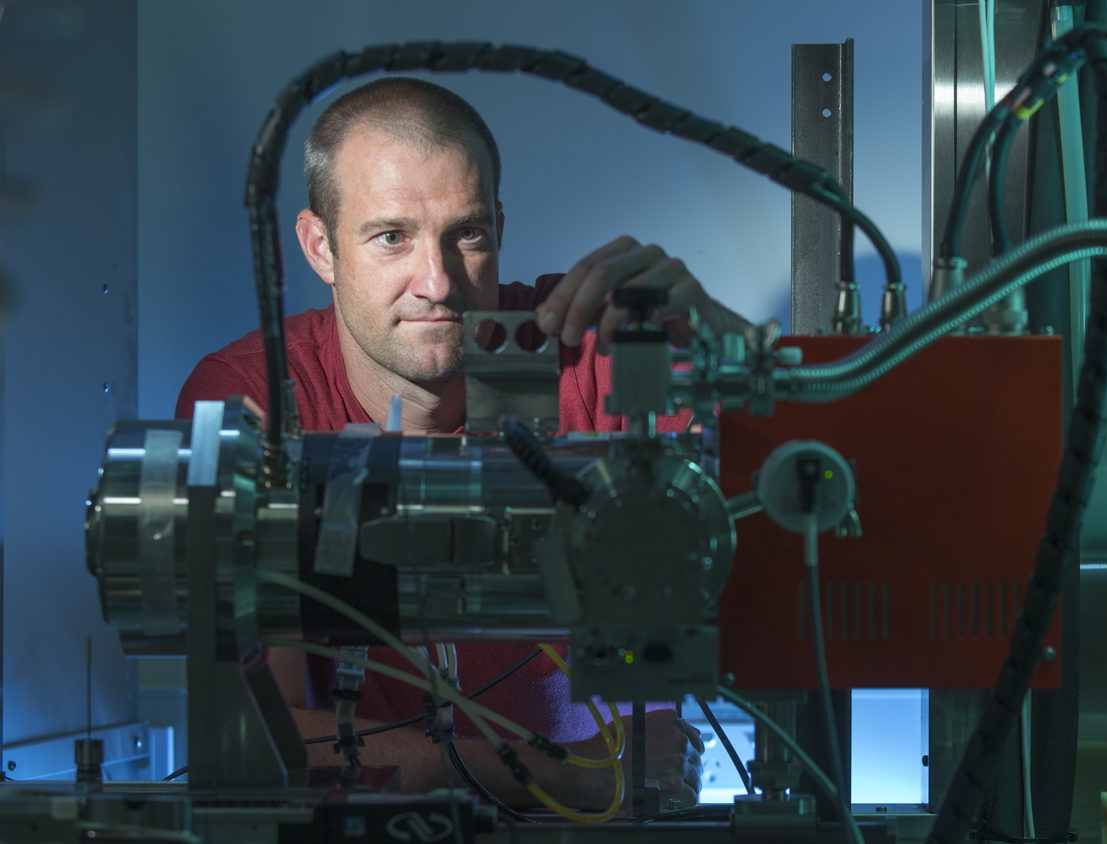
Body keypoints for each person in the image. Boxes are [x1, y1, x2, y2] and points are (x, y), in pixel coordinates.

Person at [176, 77, 749, 810]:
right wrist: (556, 771)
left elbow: (813, 503)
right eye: (393, 237)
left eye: (466, 234)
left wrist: (726, 344)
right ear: (321, 247)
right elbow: (262, 734)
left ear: (500, 228)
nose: (438, 282)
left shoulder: (578, 347)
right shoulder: (258, 402)